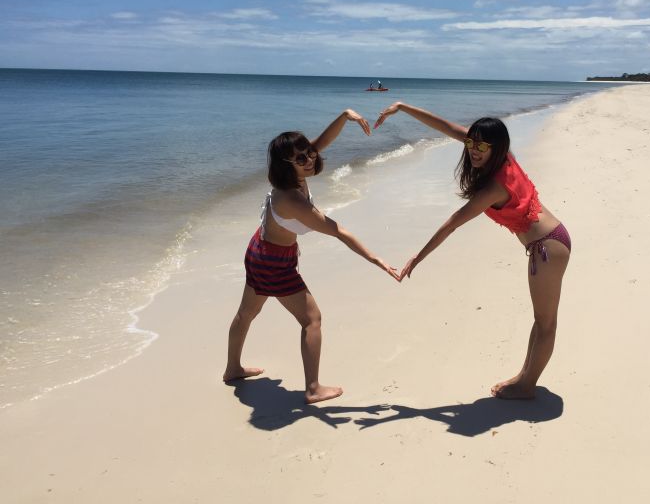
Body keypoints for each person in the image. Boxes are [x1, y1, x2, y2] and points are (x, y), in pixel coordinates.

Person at [374, 103, 571, 399]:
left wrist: (418, 257)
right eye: (471, 143)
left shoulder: (493, 188)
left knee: (545, 323)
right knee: (541, 320)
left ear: (496, 147)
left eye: (481, 146)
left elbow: (452, 224)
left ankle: (527, 387)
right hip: (549, 242)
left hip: (547, 249)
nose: (473, 150)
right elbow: (448, 127)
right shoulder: (503, 157)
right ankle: (524, 377)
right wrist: (402, 107)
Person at [224, 109, 398, 404]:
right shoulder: (292, 199)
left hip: (260, 249)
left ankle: (232, 369)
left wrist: (345, 117)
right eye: (302, 157)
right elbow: (338, 231)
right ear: (286, 165)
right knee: (311, 320)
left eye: (308, 153)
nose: (311, 159)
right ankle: (313, 388)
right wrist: (376, 259)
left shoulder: (292, 172)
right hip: (274, 262)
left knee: (247, 313)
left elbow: (320, 144)